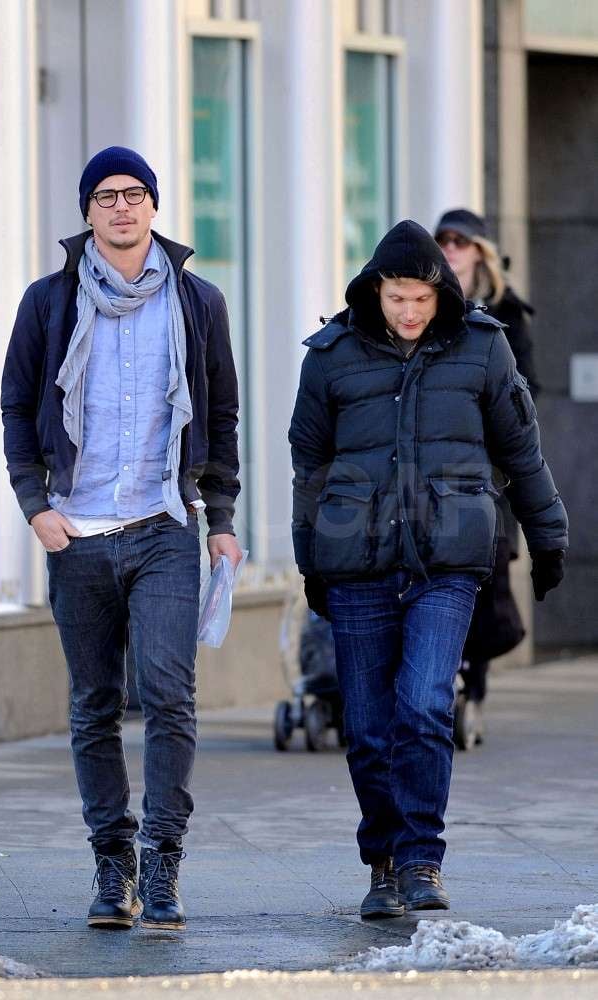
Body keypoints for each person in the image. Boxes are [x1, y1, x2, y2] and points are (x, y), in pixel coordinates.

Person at [289, 219, 567, 918]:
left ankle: (420, 860)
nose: (409, 312)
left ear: (440, 291)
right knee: (368, 725)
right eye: (397, 299)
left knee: (424, 705)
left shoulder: (482, 348)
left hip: (449, 562)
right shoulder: (330, 356)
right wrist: (309, 558)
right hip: (358, 562)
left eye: (420, 298)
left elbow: (521, 450)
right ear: (376, 291)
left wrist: (548, 536)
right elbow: (309, 467)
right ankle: (381, 862)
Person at [2, 146, 242, 931]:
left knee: (170, 695)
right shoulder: (48, 303)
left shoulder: (199, 304)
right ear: (87, 212)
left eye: (134, 193)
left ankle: (162, 863)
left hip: (165, 526)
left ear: (154, 206)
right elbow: (15, 409)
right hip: (78, 532)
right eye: (105, 195)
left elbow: (221, 420)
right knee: (93, 705)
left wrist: (224, 519)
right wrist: (35, 505)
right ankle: (113, 862)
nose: (121, 207)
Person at [434, 209, 538, 740]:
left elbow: (526, 397)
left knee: (487, 578)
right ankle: (443, 683)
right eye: (443, 240)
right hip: (434, 473)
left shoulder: (506, 315)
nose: (450, 248)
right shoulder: (425, 307)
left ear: (480, 251)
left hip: (491, 476)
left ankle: (473, 688)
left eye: (461, 241)